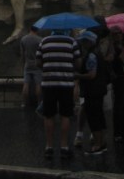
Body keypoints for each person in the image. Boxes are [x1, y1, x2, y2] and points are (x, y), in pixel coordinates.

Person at [36, 27, 81, 159]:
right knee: (65, 115)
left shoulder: (44, 41)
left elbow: (38, 62)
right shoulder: (72, 42)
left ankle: (49, 146)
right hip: (66, 84)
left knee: (48, 115)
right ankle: (64, 146)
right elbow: (78, 64)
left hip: (49, 84)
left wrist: (49, 65)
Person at [75, 30, 109, 154]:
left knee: (93, 117)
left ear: (88, 42)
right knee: (99, 115)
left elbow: (91, 75)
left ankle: (98, 144)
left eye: (84, 41)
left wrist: (77, 75)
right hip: (99, 89)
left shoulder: (91, 56)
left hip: (92, 90)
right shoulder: (98, 53)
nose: (82, 44)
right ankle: (102, 141)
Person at [19, 23, 42, 108]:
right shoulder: (40, 40)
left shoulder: (23, 39)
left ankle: (23, 103)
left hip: (27, 64)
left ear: (30, 29)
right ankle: (39, 103)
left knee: (26, 84)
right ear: (37, 30)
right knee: (38, 84)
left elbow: (22, 54)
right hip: (37, 65)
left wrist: (22, 64)